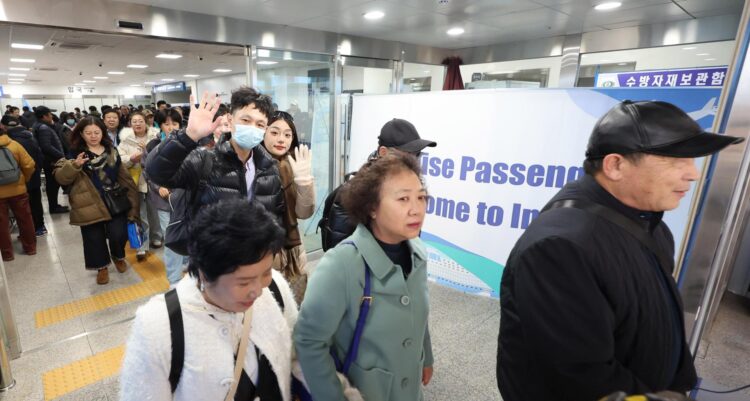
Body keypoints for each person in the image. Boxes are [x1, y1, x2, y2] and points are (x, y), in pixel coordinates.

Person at [496, 101, 745, 401]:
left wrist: (679, 380)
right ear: (615, 165)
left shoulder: (650, 224)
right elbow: (580, 377)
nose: (692, 174)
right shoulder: (561, 247)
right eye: (676, 159)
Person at [120, 198, 302, 401]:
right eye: (243, 283)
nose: (258, 291)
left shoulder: (275, 287)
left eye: (266, 272)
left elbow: (297, 357)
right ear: (205, 274)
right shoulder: (157, 326)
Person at [295, 152, 434, 401]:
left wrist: (426, 357)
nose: (417, 209)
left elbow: (418, 314)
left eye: (421, 197)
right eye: (403, 199)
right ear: (372, 207)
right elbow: (308, 341)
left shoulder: (418, 254)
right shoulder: (342, 265)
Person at [146, 88, 284, 224]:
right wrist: (187, 137)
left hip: (254, 244)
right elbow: (157, 173)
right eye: (246, 120)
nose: (252, 128)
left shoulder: (270, 169)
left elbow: (274, 215)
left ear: (265, 129)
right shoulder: (205, 159)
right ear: (230, 120)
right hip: (212, 244)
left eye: (260, 124)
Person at [319, 118, 436, 251]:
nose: (413, 161)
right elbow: (337, 252)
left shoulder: (411, 187)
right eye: (407, 155)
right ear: (383, 153)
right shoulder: (355, 192)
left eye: (416, 155)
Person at [53, 117, 139, 285]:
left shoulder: (111, 150)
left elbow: (123, 176)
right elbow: (61, 178)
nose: (93, 136)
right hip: (88, 201)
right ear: (81, 134)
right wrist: (75, 165)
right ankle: (101, 268)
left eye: (97, 132)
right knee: (94, 237)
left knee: (118, 234)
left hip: (114, 198)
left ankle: (118, 256)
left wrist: (133, 200)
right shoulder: (74, 152)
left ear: (103, 132)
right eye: (88, 133)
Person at [263, 111, 315, 303]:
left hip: (293, 251)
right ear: (264, 132)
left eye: (287, 135)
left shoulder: (296, 164)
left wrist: (304, 182)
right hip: (266, 250)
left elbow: (304, 212)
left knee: (295, 304)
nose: (281, 139)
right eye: (274, 132)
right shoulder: (251, 166)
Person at [146, 108, 187, 285]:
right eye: (166, 123)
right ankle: (174, 279)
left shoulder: (188, 143)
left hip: (185, 200)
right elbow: (148, 172)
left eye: (175, 123)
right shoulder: (152, 146)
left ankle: (186, 265)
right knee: (171, 238)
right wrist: (158, 186)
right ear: (159, 125)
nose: (171, 127)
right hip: (164, 201)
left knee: (187, 235)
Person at [118, 112, 159, 261]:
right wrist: (131, 159)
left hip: (155, 181)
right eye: (134, 121)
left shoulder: (156, 137)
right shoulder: (125, 141)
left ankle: (157, 236)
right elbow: (120, 161)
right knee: (141, 215)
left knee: (155, 212)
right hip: (136, 183)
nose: (137, 124)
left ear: (146, 122)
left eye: (140, 121)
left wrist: (149, 152)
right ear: (130, 124)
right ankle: (142, 246)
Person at [2, 115, 46, 236]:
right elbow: (39, 157)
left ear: (4, 127)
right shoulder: (30, 136)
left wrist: (24, 178)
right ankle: (40, 226)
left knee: (24, 210)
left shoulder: (10, 142)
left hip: (18, 180)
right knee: (36, 203)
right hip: (34, 174)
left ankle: (29, 233)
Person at [0, 125, 37, 261]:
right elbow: (29, 165)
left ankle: (7, 254)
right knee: (25, 219)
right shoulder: (14, 145)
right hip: (18, 190)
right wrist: (23, 179)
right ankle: (30, 248)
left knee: (2, 225)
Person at [32, 106, 69, 214]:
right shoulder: (43, 128)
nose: (51, 116)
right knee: (53, 184)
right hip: (51, 160)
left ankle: (54, 205)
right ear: (44, 116)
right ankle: (53, 207)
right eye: (49, 114)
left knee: (53, 184)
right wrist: (61, 156)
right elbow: (46, 146)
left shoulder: (39, 125)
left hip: (49, 160)